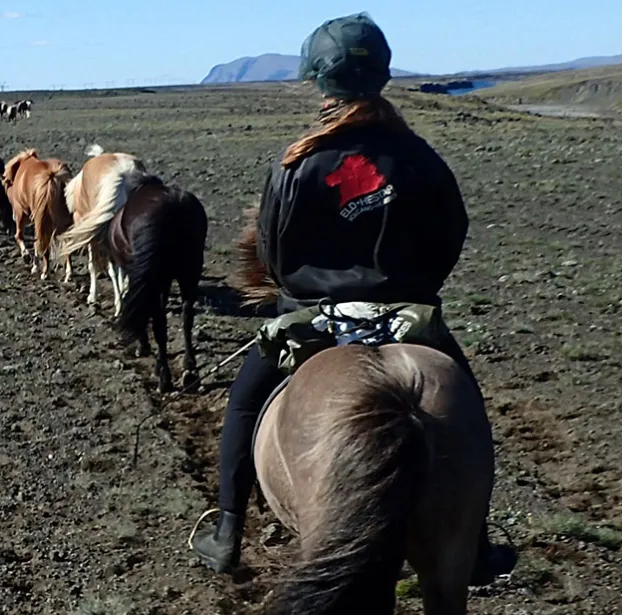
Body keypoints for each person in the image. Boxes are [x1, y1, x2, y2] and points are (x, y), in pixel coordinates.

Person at [188, 11, 518, 584]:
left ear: (319, 80)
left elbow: (274, 249)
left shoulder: (297, 162)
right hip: (409, 314)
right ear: (383, 75)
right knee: (467, 408)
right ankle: (477, 542)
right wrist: (413, 286)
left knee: (244, 404)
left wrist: (304, 295)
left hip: (312, 316)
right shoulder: (420, 156)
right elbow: (451, 233)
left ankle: (228, 530)